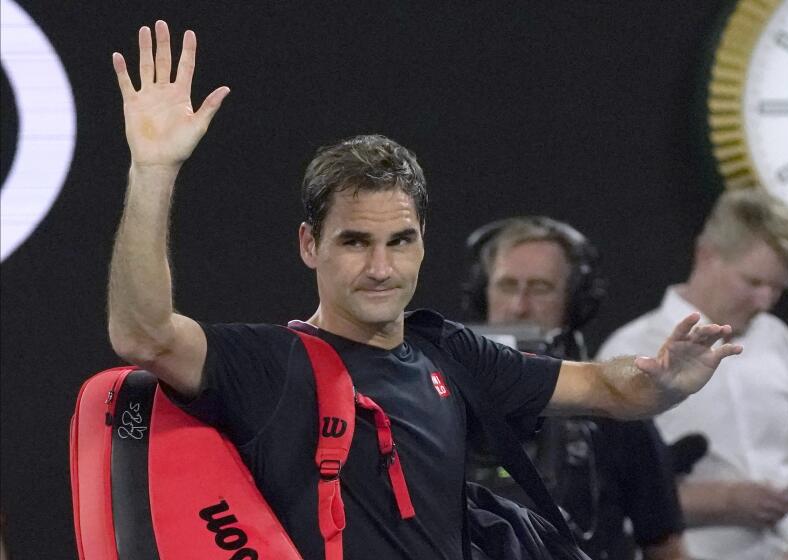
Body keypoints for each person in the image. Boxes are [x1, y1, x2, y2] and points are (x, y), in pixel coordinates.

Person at [107, 21, 741, 559]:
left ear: (423, 242)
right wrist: (153, 170)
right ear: (309, 245)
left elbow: (605, 388)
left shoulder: (453, 353)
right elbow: (142, 333)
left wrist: (662, 379)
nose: (381, 267)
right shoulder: (268, 366)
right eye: (355, 242)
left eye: (400, 241)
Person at [597, 189, 788, 560]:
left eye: (778, 288)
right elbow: (605, 490)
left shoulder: (780, 340)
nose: (765, 302)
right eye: (754, 282)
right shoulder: (629, 349)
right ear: (706, 255)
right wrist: (718, 502)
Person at [463, 216, 686, 560]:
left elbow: (665, 547)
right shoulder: (438, 395)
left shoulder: (614, 406)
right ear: (483, 292)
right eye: (507, 286)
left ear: (575, 302)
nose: (519, 306)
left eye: (540, 288)